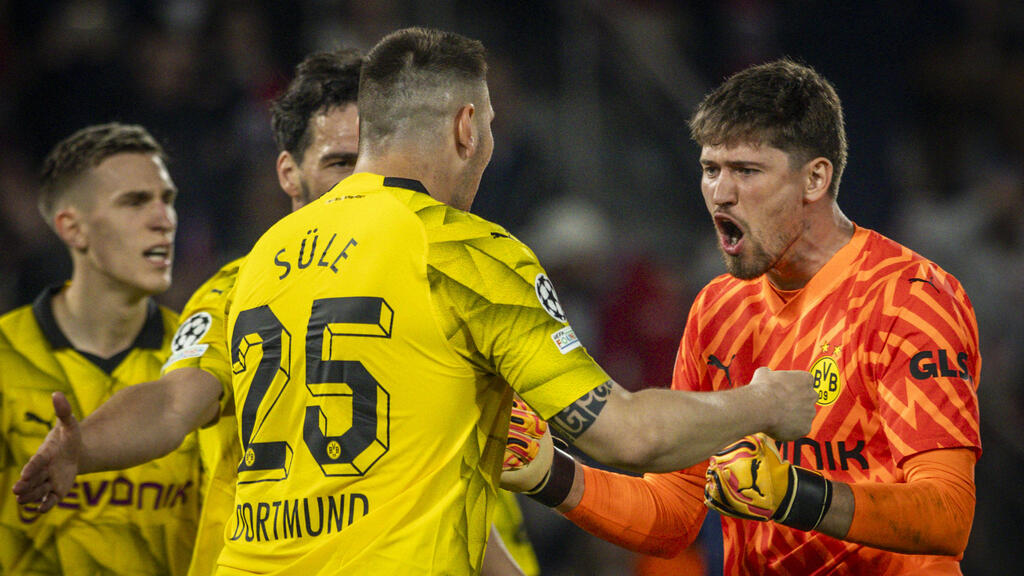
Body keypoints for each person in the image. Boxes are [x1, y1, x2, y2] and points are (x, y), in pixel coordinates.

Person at [14, 29, 816, 575]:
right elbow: (629, 436)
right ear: (466, 127)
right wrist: (764, 401)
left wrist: (82, 446)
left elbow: (169, 405)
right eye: (492, 125)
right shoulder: (464, 252)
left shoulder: (258, 264)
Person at [505, 58, 981, 576]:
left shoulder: (909, 298)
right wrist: (549, 473)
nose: (720, 193)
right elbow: (673, 515)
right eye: (711, 169)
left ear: (815, 178)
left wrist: (796, 494)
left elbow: (948, 514)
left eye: (747, 171)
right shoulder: (717, 308)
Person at [0, 123, 199, 575]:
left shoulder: (201, 362)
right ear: (73, 228)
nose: (163, 219)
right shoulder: (6, 356)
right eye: (134, 202)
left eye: (167, 200)